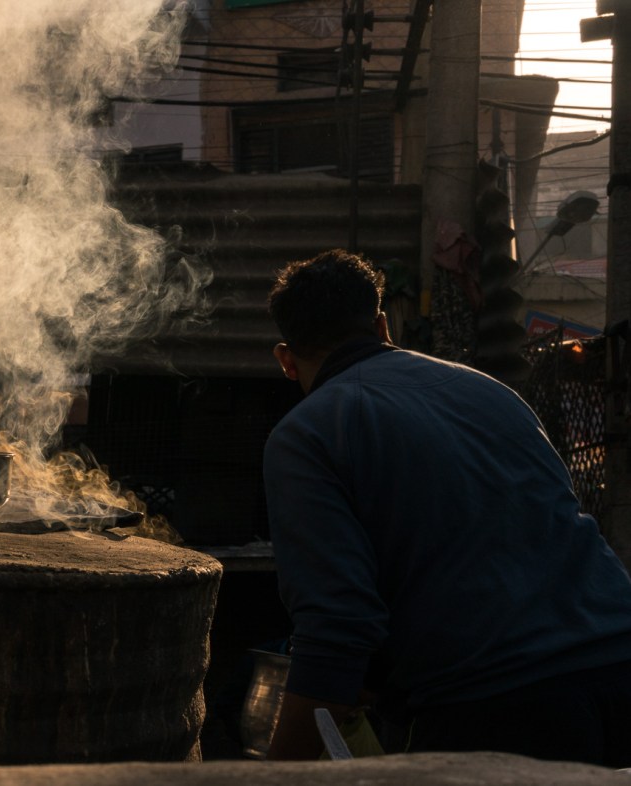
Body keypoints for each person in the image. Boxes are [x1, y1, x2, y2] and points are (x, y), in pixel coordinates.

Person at [261, 248, 631, 765]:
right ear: (383, 325)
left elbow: (336, 629)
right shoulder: (490, 392)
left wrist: (278, 772)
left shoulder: (306, 433)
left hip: (501, 716)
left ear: (285, 359)